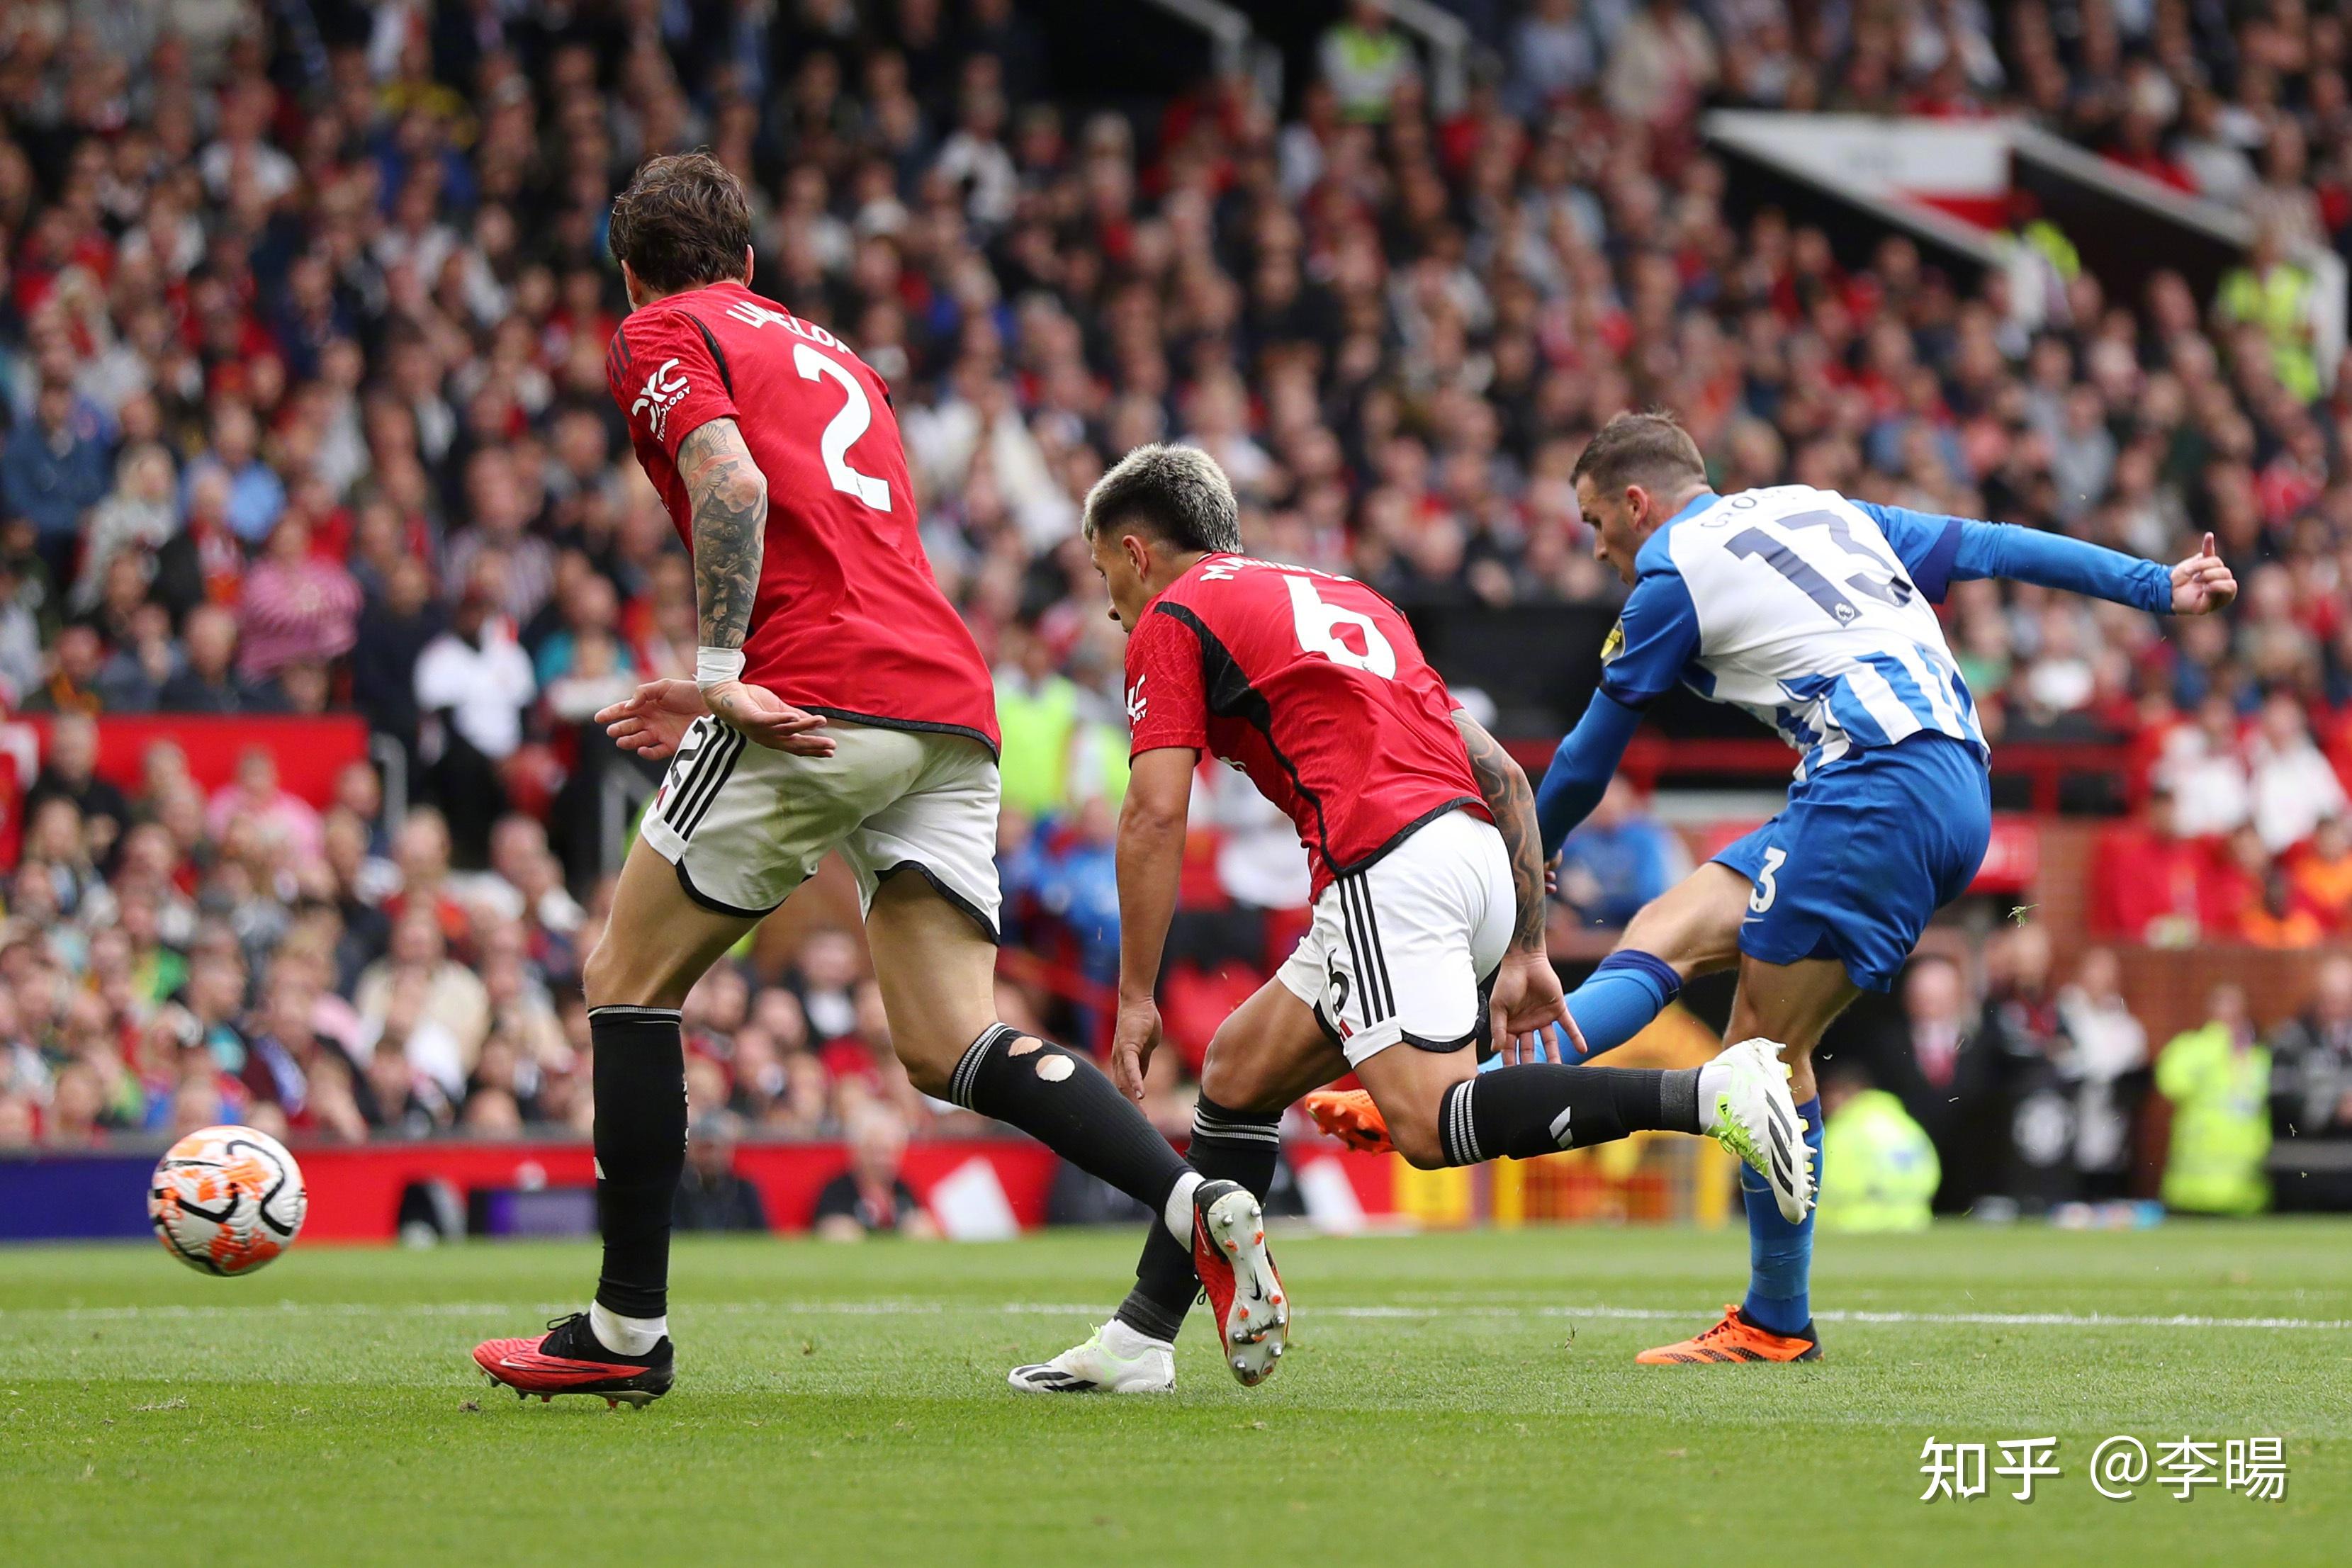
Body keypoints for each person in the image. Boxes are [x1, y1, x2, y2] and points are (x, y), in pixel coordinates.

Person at [471, 154, 1275, 1411]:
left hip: (811, 696)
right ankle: (1190, 1192)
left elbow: (729, 479)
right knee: (951, 1039)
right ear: (750, 260)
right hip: (946, 704)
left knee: (625, 978)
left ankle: (624, 1328)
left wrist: (718, 669)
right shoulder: (837, 354)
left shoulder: (658, 328)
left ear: (630, 271)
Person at [1309, 410, 2237, 1363]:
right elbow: (1989, 545)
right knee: (1663, 931)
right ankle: (1456, 1096)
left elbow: (1589, 753)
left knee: (1758, 1055)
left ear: (1638, 501)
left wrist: (1529, 849)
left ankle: (1772, 1318)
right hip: (1928, 775)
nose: (1593, 549)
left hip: (1875, 781)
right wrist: (2152, 585)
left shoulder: (1672, 572)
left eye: (1593, 522)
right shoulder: (1818, 509)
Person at [1009, 445, 1807, 1396]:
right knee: (1233, 1073)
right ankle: (1142, 1336)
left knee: (1428, 1129)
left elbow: (1149, 812)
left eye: (1106, 576)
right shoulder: (1347, 599)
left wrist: (1133, 994)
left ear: (1137, 554)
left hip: (1383, 866)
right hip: (1468, 854)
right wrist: (1523, 942)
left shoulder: (1173, 615)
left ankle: (1707, 1095)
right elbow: (1504, 775)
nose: (1109, 606)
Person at [671, 1110, 769, 1233]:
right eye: (703, 1149)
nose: (710, 1157)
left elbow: (762, 1235)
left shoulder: (743, 1189)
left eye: (715, 1149)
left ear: (728, 1151)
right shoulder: (677, 1191)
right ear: (691, 1151)